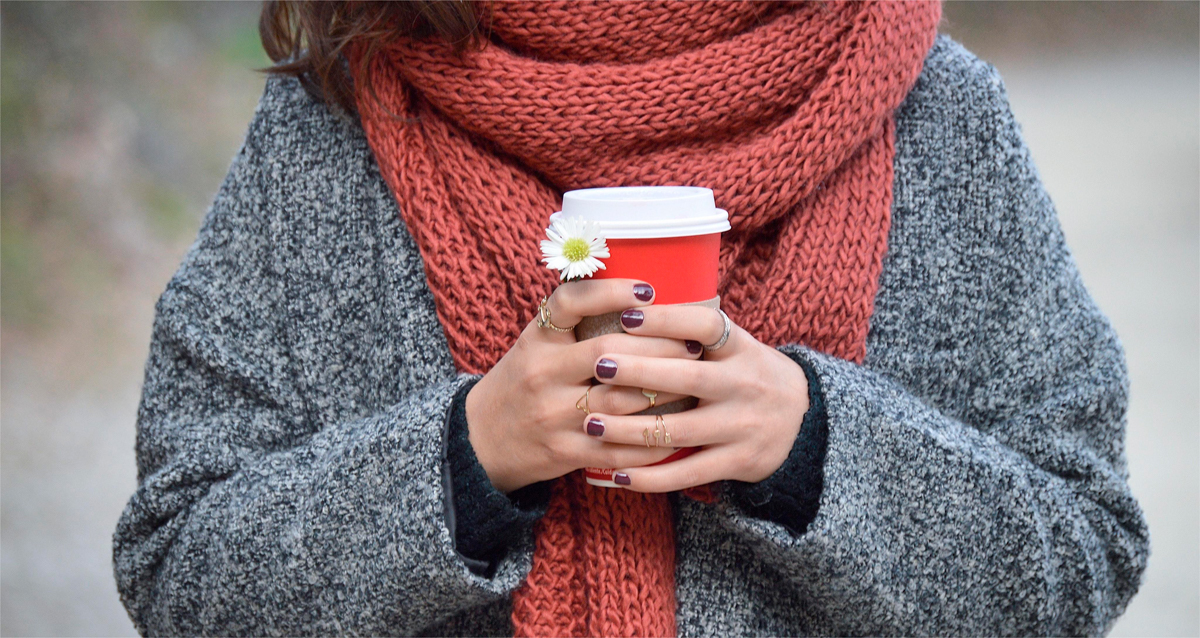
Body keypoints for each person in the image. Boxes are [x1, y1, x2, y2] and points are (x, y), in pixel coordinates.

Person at [112, 1, 1149, 635]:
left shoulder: (936, 115)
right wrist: (462, 460)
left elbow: (1082, 554)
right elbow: (179, 575)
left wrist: (817, 447)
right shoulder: (332, 128)